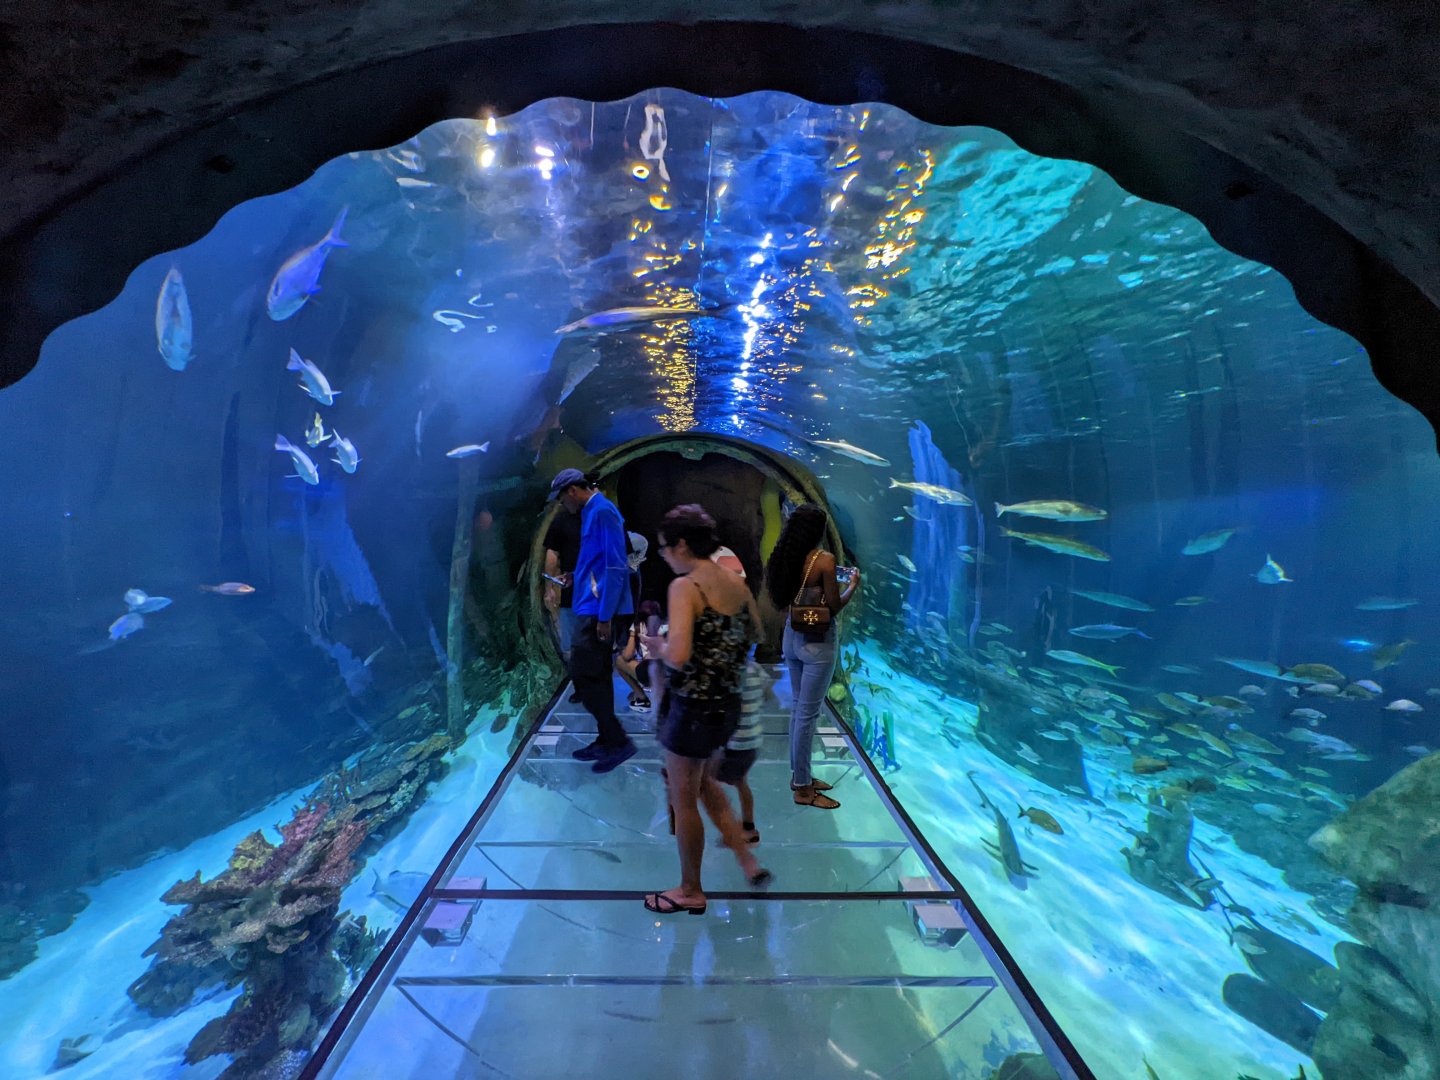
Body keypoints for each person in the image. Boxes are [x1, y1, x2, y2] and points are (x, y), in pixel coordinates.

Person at [640, 504, 770, 914]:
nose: (663, 556)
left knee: (685, 798)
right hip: (726, 707)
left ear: (681, 544)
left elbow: (678, 654)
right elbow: (757, 634)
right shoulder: (736, 584)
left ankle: (690, 890)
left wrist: (657, 645)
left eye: (664, 548)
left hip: (691, 709)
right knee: (705, 785)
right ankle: (747, 860)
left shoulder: (686, 587)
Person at [764, 503, 860, 810]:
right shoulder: (824, 560)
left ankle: (800, 777)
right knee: (807, 716)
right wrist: (852, 586)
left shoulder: (786, 557)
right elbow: (833, 606)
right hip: (818, 644)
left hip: (791, 639)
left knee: (798, 713)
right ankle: (804, 790)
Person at [549, 468, 637, 774]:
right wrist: (574, 576)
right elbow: (595, 561)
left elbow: (615, 567)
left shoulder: (603, 512)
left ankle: (618, 741)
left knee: (584, 674)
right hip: (588, 604)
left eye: (562, 497)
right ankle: (607, 738)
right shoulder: (592, 512)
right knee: (593, 676)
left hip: (597, 611)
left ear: (573, 490)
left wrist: (605, 617)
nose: (562, 504)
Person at [716, 646, 765, 844]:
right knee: (741, 783)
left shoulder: (727, 674)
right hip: (752, 743)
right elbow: (768, 695)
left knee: (708, 785)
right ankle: (749, 828)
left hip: (733, 744)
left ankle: (730, 830)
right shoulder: (755, 669)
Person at [544, 494, 582, 670]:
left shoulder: (597, 515)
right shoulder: (561, 521)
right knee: (573, 643)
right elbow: (552, 555)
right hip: (572, 591)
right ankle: (581, 682)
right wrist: (549, 587)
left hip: (587, 592)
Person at [616, 599, 661, 712]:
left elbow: (627, 655)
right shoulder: (665, 624)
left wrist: (632, 633)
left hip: (650, 671)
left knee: (619, 661)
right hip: (666, 672)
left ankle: (642, 699)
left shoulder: (638, 625)